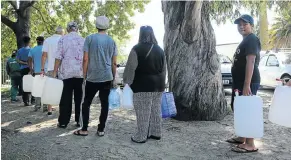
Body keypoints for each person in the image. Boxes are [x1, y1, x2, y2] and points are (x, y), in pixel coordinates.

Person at [74, 16, 117, 136]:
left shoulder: (89, 38)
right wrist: (114, 77)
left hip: (92, 77)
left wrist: (84, 75)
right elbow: (114, 62)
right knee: (104, 104)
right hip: (107, 76)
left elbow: (85, 59)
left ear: (96, 25)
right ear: (107, 26)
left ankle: (84, 129)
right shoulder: (111, 41)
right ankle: (101, 129)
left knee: (86, 102)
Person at [123, 26, 166, 143]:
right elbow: (164, 69)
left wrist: (127, 81)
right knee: (156, 109)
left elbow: (131, 68)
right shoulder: (160, 50)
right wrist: (163, 85)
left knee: (143, 111)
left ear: (140, 34)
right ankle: (156, 132)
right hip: (159, 86)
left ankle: (141, 136)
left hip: (142, 85)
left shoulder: (136, 49)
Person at [227, 14, 261, 153]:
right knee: (239, 109)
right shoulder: (245, 40)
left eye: (245, 24)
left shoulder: (252, 39)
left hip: (248, 82)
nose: (241, 26)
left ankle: (250, 144)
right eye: (239, 24)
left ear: (251, 25)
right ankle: (242, 137)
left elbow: (251, 61)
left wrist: (247, 84)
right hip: (240, 82)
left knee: (248, 111)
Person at [53, 22, 85, 128]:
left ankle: (63, 122)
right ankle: (79, 120)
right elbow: (86, 58)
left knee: (66, 98)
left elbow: (58, 57)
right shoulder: (83, 40)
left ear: (67, 29)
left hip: (66, 74)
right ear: (77, 29)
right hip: (80, 74)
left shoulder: (62, 39)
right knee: (79, 98)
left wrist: (54, 72)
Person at [41, 26, 64, 115]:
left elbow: (44, 55)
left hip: (50, 67)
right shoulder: (64, 39)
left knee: (50, 88)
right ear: (62, 32)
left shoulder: (48, 40)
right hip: (62, 69)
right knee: (62, 89)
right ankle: (62, 109)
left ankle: (50, 109)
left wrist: (42, 68)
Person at [16, 36, 35, 106]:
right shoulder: (32, 50)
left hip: (23, 69)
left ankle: (25, 101)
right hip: (31, 68)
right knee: (33, 84)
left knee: (24, 84)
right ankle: (33, 100)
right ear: (29, 42)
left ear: (23, 42)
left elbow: (17, 60)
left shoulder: (19, 50)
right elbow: (33, 60)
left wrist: (24, 63)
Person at [28, 36, 45, 111]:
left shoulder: (33, 49)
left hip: (37, 71)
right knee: (45, 89)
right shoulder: (45, 49)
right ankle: (45, 107)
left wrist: (31, 69)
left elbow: (29, 60)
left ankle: (37, 106)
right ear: (43, 41)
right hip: (45, 71)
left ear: (37, 41)